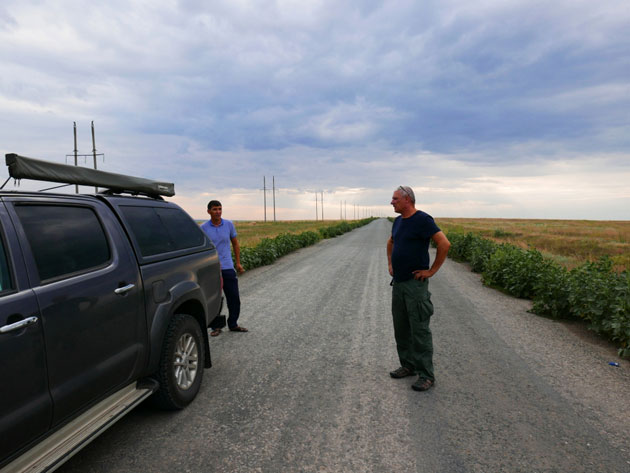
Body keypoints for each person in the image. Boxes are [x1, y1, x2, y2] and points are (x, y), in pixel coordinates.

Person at [387, 186, 450, 391]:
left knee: (419, 330)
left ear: (408, 200)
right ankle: (408, 365)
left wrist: (431, 271)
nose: (392, 202)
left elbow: (444, 244)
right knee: (401, 327)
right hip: (399, 284)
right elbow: (391, 242)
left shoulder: (423, 220)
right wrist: (390, 264)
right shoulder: (398, 222)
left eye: (395, 199)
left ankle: (426, 375)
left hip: (416, 286)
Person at [201, 200, 248, 336]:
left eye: (220, 209)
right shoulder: (203, 228)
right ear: (208, 211)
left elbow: (235, 244)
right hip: (212, 268)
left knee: (233, 297)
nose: (218, 212)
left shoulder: (228, 224)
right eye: (215, 209)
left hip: (227, 266)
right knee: (214, 298)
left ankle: (233, 324)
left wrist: (238, 263)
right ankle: (216, 326)